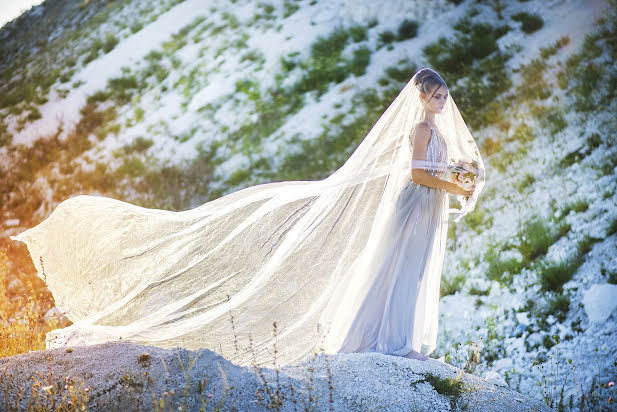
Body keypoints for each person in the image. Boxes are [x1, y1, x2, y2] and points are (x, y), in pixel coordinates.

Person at [11, 68, 485, 367]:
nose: (441, 104)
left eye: (444, 97)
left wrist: (465, 177)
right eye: (435, 96)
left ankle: (397, 339)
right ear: (420, 97)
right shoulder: (421, 128)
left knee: (414, 268)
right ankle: (384, 340)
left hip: (429, 206)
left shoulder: (438, 128)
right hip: (416, 201)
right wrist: (453, 184)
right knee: (395, 266)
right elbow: (418, 176)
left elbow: (439, 171)